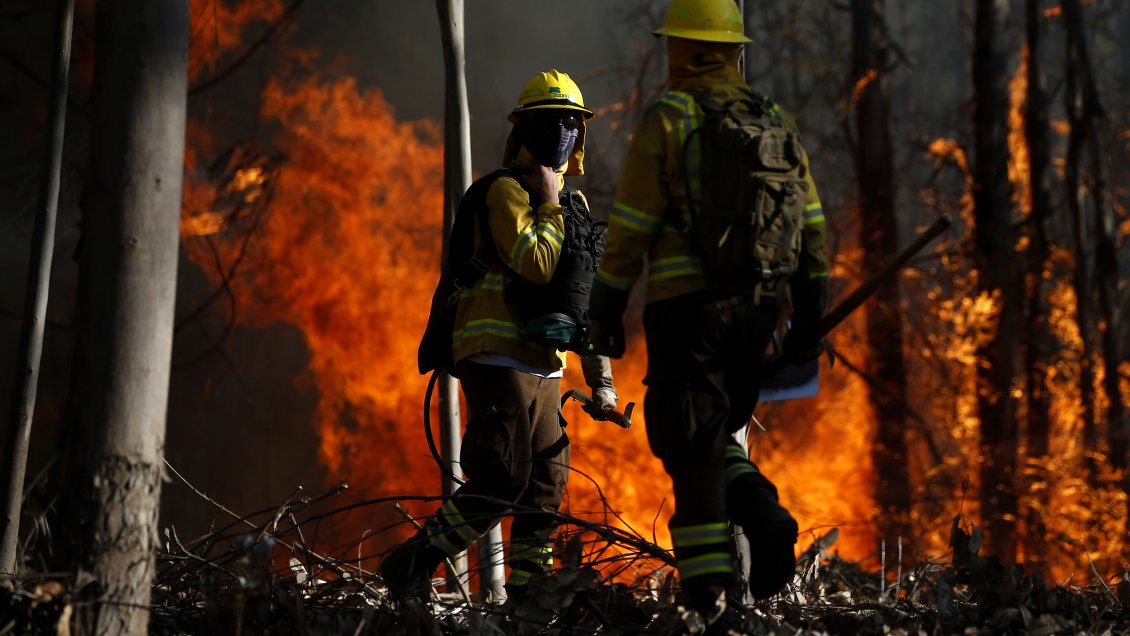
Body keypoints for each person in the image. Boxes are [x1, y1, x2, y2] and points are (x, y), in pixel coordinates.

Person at [586, 0, 829, 624]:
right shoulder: (771, 119)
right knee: (717, 435)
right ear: (730, 49)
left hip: (686, 313)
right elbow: (811, 227)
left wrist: (606, 309)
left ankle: (711, 604)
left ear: (683, 49)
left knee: (688, 446)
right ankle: (760, 518)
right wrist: (807, 320)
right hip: (758, 313)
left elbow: (632, 226)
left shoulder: (670, 116)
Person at [381, 70, 618, 603]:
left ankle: (527, 605)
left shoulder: (575, 210)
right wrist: (551, 200)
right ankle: (411, 564)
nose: (561, 134)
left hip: (546, 365)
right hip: (494, 354)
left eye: (571, 124)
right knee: (501, 477)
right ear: (523, 130)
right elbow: (536, 263)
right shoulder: (503, 191)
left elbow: (586, 302)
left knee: (545, 488)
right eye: (548, 123)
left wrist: (602, 383)